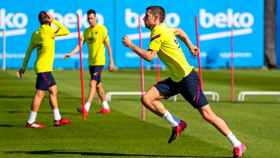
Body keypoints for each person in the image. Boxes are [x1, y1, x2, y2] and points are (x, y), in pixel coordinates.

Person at [122, 6, 246, 158]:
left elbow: (150, 56)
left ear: (156, 18)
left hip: (188, 79)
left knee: (207, 115)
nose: (143, 19)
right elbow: (179, 31)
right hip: (175, 79)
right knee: (146, 98)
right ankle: (177, 123)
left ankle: (237, 144)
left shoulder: (158, 32)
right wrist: (191, 46)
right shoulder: (165, 29)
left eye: (147, 16)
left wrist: (131, 46)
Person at [17, 11, 71, 128]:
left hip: (42, 67)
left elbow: (28, 51)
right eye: (48, 18)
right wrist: (54, 21)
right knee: (39, 94)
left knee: (53, 90)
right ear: (47, 20)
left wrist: (23, 67)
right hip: (44, 68)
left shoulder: (36, 33)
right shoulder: (49, 31)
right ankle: (30, 122)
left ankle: (58, 119)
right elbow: (66, 31)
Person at [64, 9, 115, 114]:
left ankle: (86, 107)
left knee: (92, 83)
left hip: (99, 61)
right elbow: (80, 45)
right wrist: (71, 53)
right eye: (88, 19)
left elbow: (108, 46)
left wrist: (111, 62)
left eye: (92, 18)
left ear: (96, 18)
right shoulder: (86, 31)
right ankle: (106, 107)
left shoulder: (102, 29)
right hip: (91, 62)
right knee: (98, 85)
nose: (90, 20)